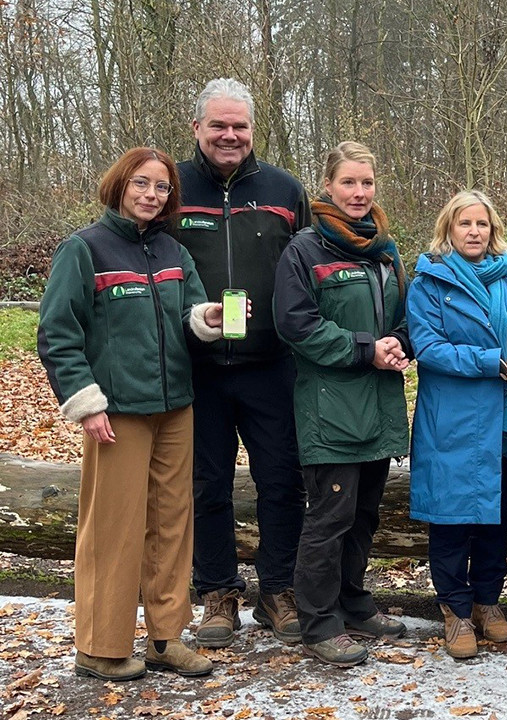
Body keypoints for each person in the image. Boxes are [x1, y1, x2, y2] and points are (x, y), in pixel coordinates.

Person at [38, 147, 223, 680]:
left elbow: (190, 315)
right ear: (120, 184)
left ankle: (166, 638)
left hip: (175, 408)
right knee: (113, 528)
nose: (151, 194)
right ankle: (100, 644)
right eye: (141, 183)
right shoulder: (83, 249)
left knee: (172, 524)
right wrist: (86, 404)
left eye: (162, 188)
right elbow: (58, 333)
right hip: (115, 412)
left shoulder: (172, 250)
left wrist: (207, 317)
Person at [173, 78, 310, 649]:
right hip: (197, 367)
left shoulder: (283, 189)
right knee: (208, 485)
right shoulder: (170, 186)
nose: (230, 135)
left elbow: (310, 266)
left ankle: (278, 591)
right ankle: (218, 594)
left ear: (254, 129)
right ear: (197, 127)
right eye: (218, 125)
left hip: (271, 363)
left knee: (281, 480)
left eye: (240, 126)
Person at [273, 142, 411, 666]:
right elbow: (297, 325)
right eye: (349, 182)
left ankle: (354, 602)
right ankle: (320, 622)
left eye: (367, 183)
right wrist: (364, 349)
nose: (359, 193)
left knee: (364, 514)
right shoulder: (305, 251)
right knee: (330, 517)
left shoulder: (386, 250)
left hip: (378, 402)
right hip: (329, 407)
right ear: (328, 186)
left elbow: (404, 312)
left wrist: (400, 341)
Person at [406, 190, 507, 660]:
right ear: (448, 228)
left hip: (506, 419)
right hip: (454, 421)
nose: (474, 232)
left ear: (493, 229)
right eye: (464, 223)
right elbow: (428, 346)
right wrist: (492, 361)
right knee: (451, 518)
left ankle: (488, 602)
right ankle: (455, 610)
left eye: (481, 224)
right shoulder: (429, 282)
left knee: (495, 519)